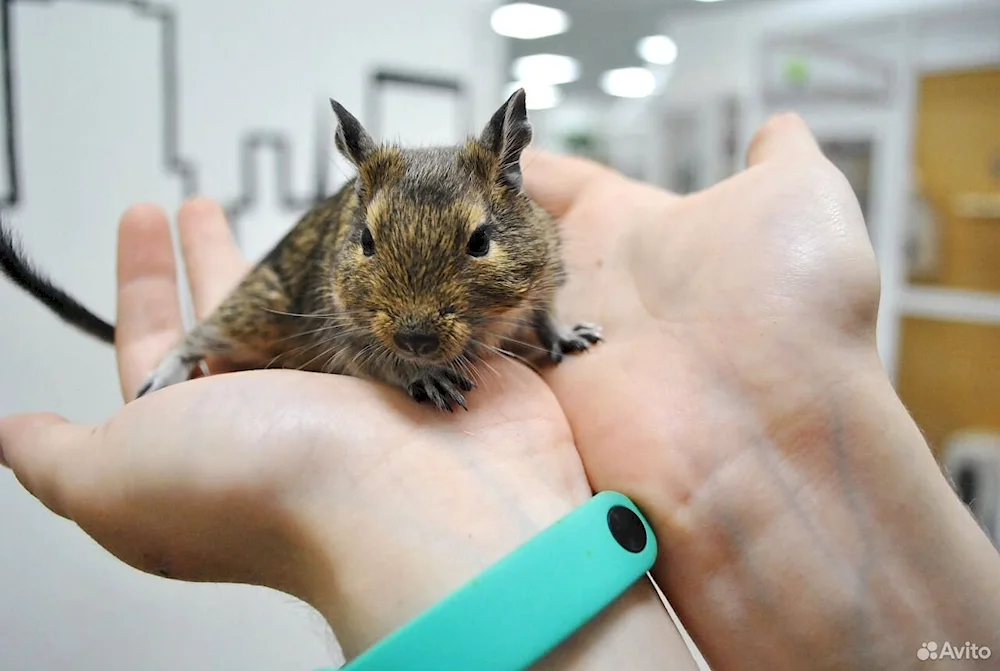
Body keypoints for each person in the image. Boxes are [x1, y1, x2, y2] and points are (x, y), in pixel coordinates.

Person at [1, 113, 997, 671]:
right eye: (383, 251)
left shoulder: (525, 234)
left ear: (505, 195)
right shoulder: (353, 264)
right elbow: (365, 324)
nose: (419, 311)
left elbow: (537, 282)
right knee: (261, 312)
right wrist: (384, 361)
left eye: (473, 246)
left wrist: (549, 334)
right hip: (303, 304)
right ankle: (201, 344)